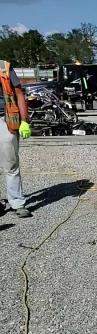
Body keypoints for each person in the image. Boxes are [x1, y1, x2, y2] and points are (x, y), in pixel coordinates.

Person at [0, 59, 32, 218]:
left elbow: (19, 93)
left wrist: (24, 121)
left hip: (5, 120)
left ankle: (17, 203)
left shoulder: (4, 67)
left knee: (11, 165)